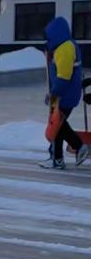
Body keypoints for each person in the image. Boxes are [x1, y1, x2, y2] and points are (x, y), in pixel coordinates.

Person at [42, 16, 89, 169]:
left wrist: (53, 94)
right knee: (57, 124)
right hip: (65, 93)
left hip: (63, 94)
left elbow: (63, 76)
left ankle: (78, 146)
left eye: (48, 37)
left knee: (57, 125)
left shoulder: (64, 49)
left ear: (55, 34)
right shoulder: (66, 45)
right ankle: (56, 158)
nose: (47, 40)